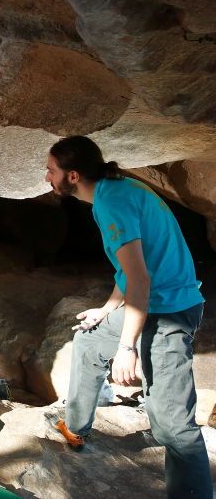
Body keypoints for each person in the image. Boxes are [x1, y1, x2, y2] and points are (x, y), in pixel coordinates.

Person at [45, 135, 211, 498]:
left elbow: (140, 280)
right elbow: (132, 270)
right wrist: (107, 309)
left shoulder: (112, 204)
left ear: (72, 176)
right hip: (152, 303)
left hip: (169, 312)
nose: (47, 177)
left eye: (51, 170)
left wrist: (127, 349)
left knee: (175, 428)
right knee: (88, 340)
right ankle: (75, 427)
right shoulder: (114, 191)